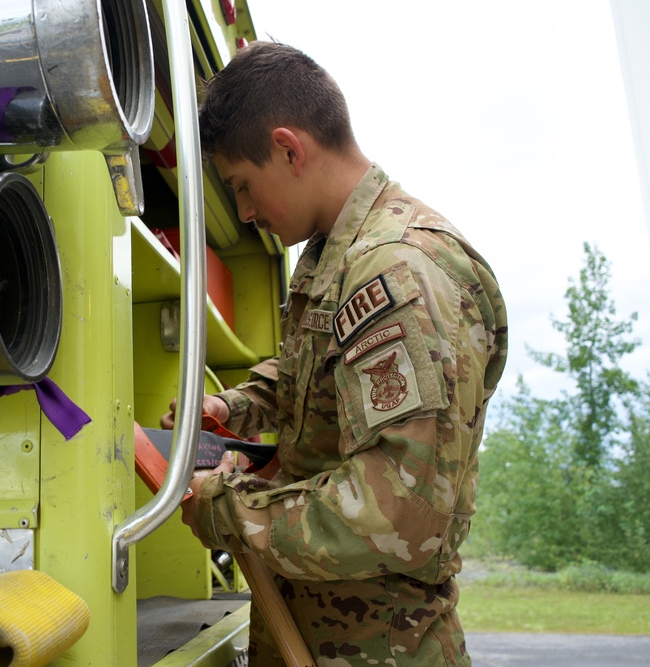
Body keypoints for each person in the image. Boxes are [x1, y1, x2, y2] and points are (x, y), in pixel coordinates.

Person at [161, 41, 508, 666]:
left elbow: (398, 512)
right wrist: (231, 408)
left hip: (379, 648)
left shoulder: (397, 268)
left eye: (242, 185)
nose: (243, 211)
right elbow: (313, 369)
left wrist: (230, 514)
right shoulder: (333, 256)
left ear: (290, 148)